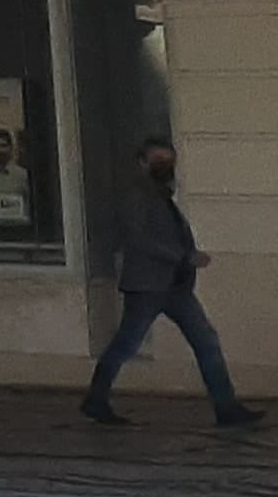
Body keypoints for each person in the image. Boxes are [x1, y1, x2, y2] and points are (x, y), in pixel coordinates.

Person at [85, 137, 266, 429]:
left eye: (168, 160)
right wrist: (184, 257)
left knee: (205, 340)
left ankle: (227, 408)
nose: (164, 165)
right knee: (127, 344)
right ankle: (96, 399)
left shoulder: (160, 194)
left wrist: (185, 259)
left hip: (173, 285)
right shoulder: (136, 195)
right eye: (158, 159)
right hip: (148, 285)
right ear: (142, 162)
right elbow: (138, 238)